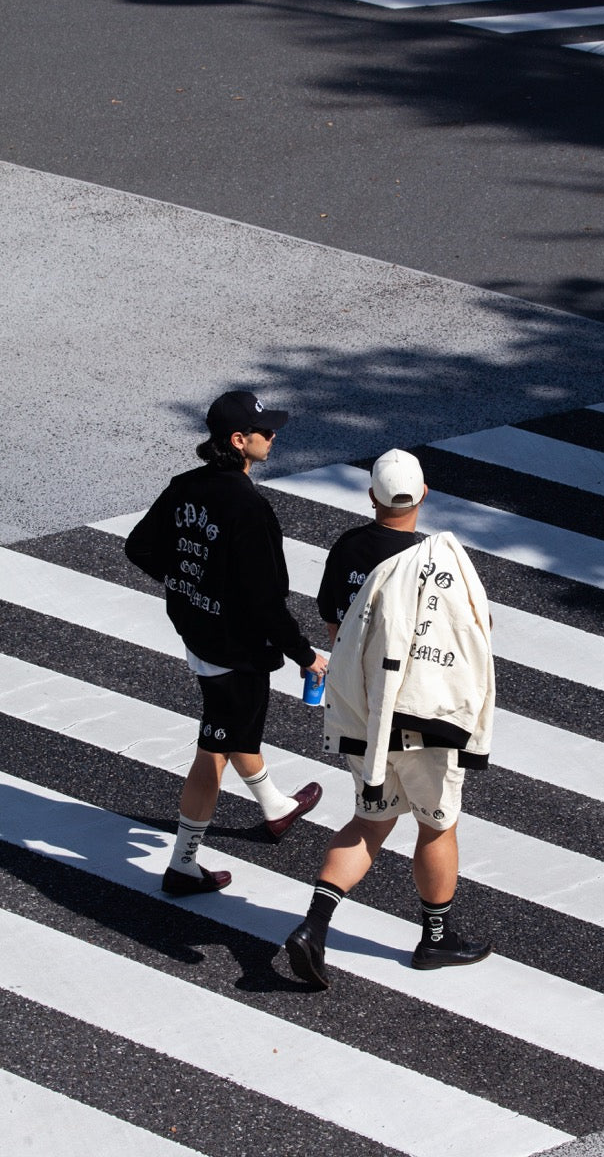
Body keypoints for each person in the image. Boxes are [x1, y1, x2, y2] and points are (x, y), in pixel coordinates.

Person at [285, 449, 494, 989]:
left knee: (370, 822)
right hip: (423, 720)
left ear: (372, 497)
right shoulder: (437, 563)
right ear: (423, 494)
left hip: (361, 715)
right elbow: (472, 635)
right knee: (436, 824)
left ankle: (313, 926)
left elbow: (338, 630)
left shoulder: (347, 549)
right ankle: (435, 938)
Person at [125, 389, 327, 897]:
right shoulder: (249, 508)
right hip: (236, 649)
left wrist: (187, 582)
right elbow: (266, 602)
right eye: (264, 431)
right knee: (213, 751)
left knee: (233, 731)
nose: (272, 436)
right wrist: (305, 655)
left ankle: (276, 808)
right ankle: (182, 866)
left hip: (196, 631)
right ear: (239, 441)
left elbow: (139, 547)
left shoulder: (185, 486)